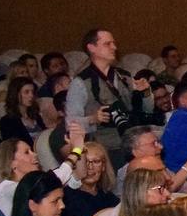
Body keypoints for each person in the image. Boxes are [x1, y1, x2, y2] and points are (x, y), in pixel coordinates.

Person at [66, 28, 156, 165]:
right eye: (108, 44)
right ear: (91, 48)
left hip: (134, 140)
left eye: (113, 43)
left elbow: (147, 110)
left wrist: (145, 93)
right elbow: (71, 123)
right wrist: (93, 119)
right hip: (107, 147)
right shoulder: (80, 83)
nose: (114, 47)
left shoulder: (124, 76)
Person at [59, 140, 118, 216]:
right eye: (85, 162)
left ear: (103, 166)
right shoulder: (66, 198)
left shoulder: (110, 198)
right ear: (75, 166)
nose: (90, 167)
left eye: (96, 161)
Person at [0, 77, 44, 143]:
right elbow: (13, 146)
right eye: (26, 92)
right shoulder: (7, 121)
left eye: (32, 92)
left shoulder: (36, 116)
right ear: (15, 94)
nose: (31, 95)